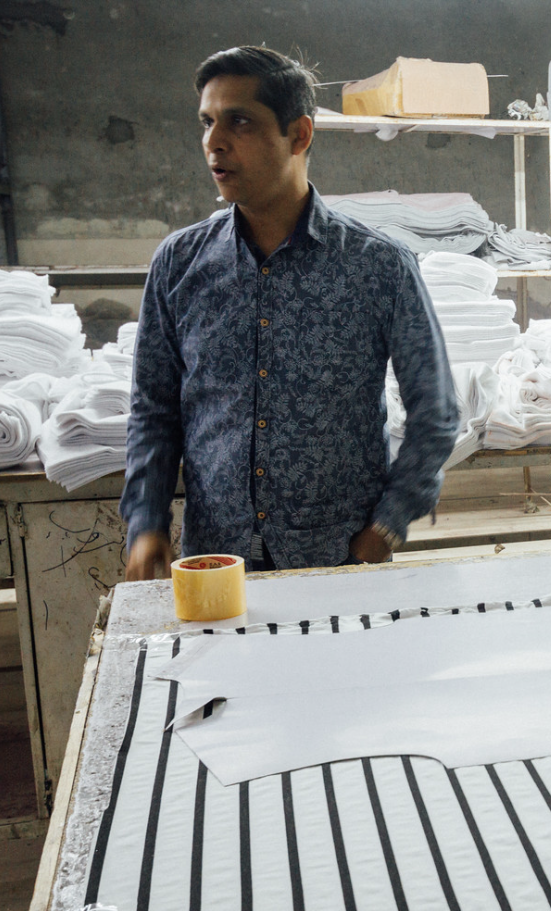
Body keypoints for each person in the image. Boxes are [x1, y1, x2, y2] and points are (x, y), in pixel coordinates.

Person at [120, 46, 458, 579]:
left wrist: (386, 527)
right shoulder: (180, 264)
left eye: (240, 122)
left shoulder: (377, 265)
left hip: (341, 559)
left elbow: (436, 412)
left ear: (299, 135)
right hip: (216, 561)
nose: (214, 142)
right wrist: (146, 522)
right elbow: (153, 410)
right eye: (207, 122)